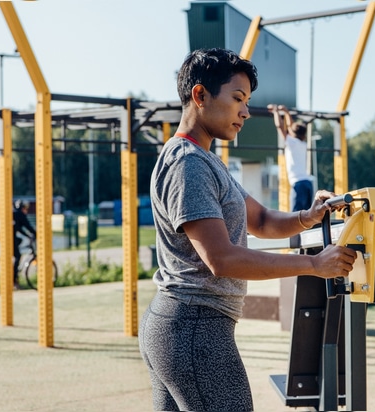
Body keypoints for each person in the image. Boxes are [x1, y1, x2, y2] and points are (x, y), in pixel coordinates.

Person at [138, 48, 357, 412]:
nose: (244, 111)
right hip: (195, 327)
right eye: (237, 98)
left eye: (248, 101)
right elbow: (221, 259)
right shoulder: (189, 164)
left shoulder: (205, 160)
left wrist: (308, 215)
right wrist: (314, 265)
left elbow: (262, 221)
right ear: (200, 95)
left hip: (183, 327)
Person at [268, 104, 314, 211]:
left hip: (298, 184)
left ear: (292, 133)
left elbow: (280, 126)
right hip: (307, 183)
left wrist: (275, 112)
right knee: (307, 216)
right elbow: (291, 126)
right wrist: (287, 112)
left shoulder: (291, 142)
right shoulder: (302, 143)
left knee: (296, 215)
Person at [12, 200, 36, 288]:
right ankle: (13, 280)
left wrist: (28, 235)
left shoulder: (14, 214)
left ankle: (13, 272)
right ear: (23, 208)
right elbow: (28, 226)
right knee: (18, 256)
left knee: (19, 241)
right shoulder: (20, 215)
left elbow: (18, 228)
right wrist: (36, 234)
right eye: (26, 209)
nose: (26, 211)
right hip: (7, 236)